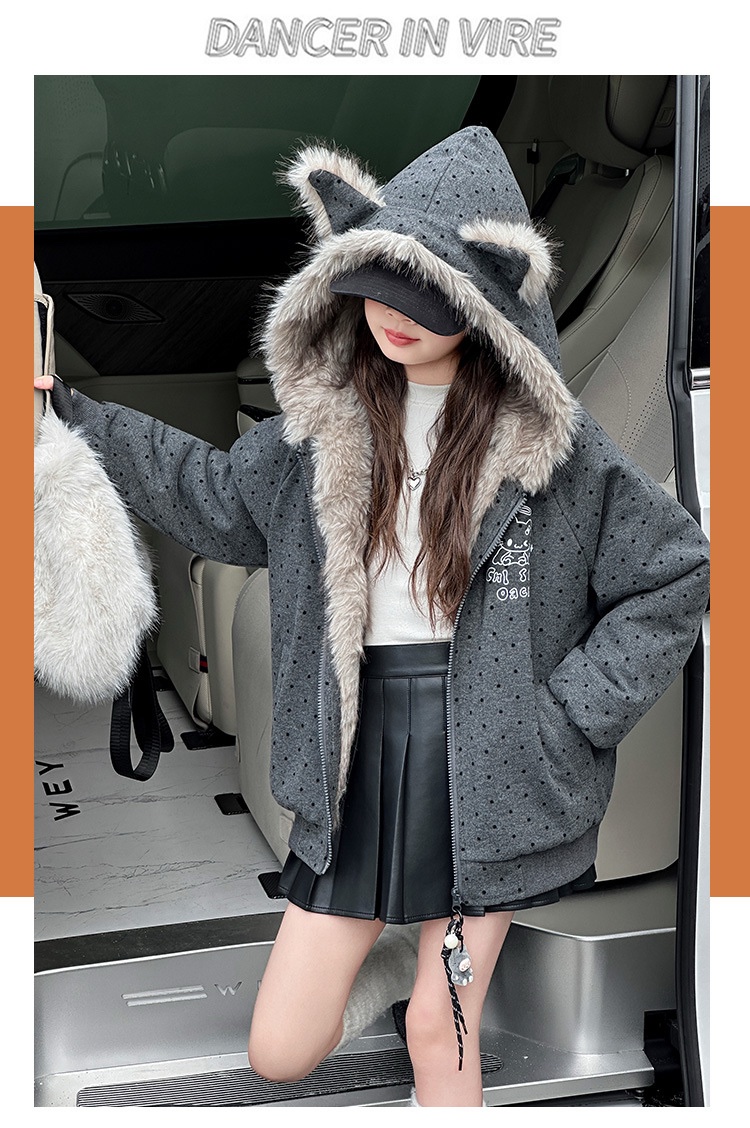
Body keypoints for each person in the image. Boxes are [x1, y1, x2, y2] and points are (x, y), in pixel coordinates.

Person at [34, 126, 710, 1107]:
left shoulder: (556, 454)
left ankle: (433, 989)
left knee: (443, 1031)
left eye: (423, 296)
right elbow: (212, 498)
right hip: (359, 746)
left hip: (500, 763)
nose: (391, 316)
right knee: (281, 1049)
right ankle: (404, 961)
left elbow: (674, 573)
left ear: (485, 302)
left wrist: (571, 714)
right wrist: (75, 417)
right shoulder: (325, 432)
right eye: (373, 287)